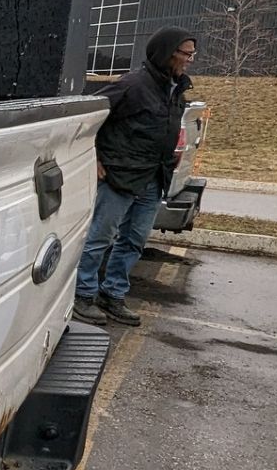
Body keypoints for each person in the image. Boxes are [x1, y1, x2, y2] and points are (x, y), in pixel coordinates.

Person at [74, 27, 196, 327]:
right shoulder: (132, 85)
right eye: (186, 53)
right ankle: (82, 295)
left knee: (133, 242)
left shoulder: (176, 87)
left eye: (193, 54)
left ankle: (112, 294)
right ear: (166, 52)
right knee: (100, 238)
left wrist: (171, 152)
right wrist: (94, 158)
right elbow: (88, 119)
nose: (190, 60)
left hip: (154, 177)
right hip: (120, 176)